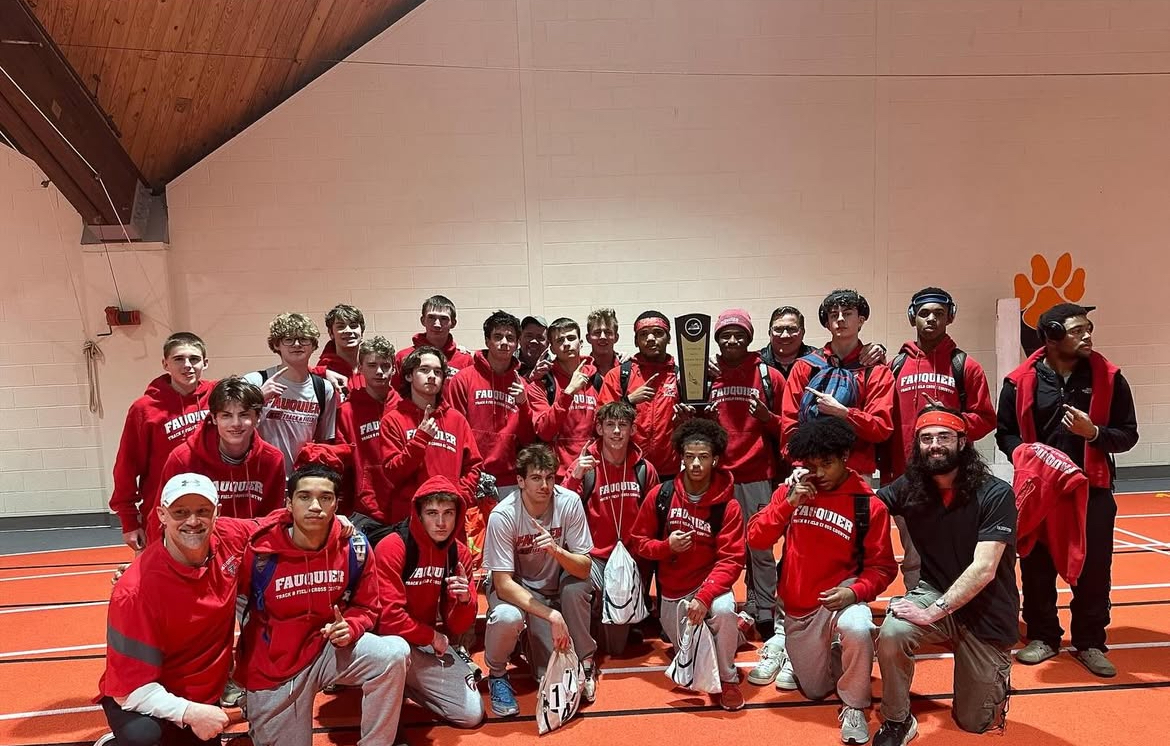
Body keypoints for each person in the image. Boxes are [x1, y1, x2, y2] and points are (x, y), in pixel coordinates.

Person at [997, 303, 1139, 677]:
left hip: (1092, 490)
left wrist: (1093, 434)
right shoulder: (1019, 382)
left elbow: (1128, 434)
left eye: (1089, 328)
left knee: (1094, 570)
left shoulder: (1110, 378)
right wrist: (1025, 456)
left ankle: (1090, 642)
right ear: (1052, 335)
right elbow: (1005, 432)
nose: (1088, 335)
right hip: (1039, 491)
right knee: (1037, 567)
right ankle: (1043, 636)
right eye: (1078, 330)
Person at [873, 407, 1019, 744]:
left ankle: (991, 676)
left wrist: (930, 613)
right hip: (934, 589)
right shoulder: (911, 487)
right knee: (894, 631)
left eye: (943, 437)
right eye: (926, 438)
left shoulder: (995, 493)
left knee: (975, 722)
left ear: (963, 442)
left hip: (988, 607)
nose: (934, 445)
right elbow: (866, 506)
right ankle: (897, 720)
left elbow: (983, 569)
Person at [236, 464, 409, 746]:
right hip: (276, 665)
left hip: (328, 647)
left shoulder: (355, 546)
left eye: (325, 498)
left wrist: (351, 627)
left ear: (336, 504)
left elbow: (368, 606)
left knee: (393, 653)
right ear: (288, 504)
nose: (315, 506)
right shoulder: (258, 551)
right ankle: (256, 706)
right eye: (304, 497)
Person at [747, 418, 896, 745]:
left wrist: (855, 591)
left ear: (845, 456)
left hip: (840, 602)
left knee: (858, 627)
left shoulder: (867, 504)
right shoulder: (792, 491)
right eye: (811, 466)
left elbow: (884, 568)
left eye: (827, 464)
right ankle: (795, 651)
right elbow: (756, 538)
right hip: (799, 607)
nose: (819, 473)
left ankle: (855, 705)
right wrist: (787, 505)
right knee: (814, 690)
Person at [97, 473, 254, 746]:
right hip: (146, 694)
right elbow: (128, 689)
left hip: (203, 692)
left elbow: (277, 523)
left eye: (203, 511)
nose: (193, 521)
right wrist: (190, 713)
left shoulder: (230, 536)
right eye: (180, 512)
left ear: (218, 513)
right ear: (162, 515)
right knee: (142, 738)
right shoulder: (134, 592)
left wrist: (337, 523)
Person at [629, 419, 746, 711]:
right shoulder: (662, 495)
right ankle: (738, 631)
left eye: (703, 457)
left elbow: (731, 560)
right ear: (681, 457)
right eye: (690, 457)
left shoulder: (727, 506)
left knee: (723, 612)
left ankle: (729, 678)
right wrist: (666, 547)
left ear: (715, 459)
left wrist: (704, 597)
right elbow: (638, 541)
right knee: (689, 663)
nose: (695, 464)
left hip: (710, 587)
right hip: (674, 590)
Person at [886, 288, 997, 591]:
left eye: (938, 313)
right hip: (907, 476)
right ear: (912, 317)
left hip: (953, 478)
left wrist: (952, 420)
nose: (931, 319)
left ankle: (961, 612)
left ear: (950, 316)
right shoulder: (895, 366)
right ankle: (916, 609)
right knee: (914, 554)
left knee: (960, 549)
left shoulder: (966, 366)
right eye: (924, 313)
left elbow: (987, 418)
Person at [481, 444, 595, 718]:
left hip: (554, 585)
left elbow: (584, 567)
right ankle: (497, 673)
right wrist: (551, 615)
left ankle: (585, 661)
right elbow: (503, 584)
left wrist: (557, 550)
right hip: (517, 587)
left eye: (549, 477)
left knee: (578, 587)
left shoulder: (569, 502)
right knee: (508, 617)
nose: (544, 485)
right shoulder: (503, 515)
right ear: (520, 481)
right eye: (535, 478)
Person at [374, 475, 484, 728]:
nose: (441, 522)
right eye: (432, 513)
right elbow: (388, 617)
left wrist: (465, 601)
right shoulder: (393, 547)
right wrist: (432, 637)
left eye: (448, 513)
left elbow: (457, 626)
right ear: (419, 514)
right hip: (385, 641)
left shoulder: (458, 553)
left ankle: (407, 683)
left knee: (471, 714)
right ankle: (388, 685)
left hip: (422, 644)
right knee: (396, 651)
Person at [706, 309, 784, 643]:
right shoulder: (707, 375)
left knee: (760, 547)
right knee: (719, 548)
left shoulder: (768, 375)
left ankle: (764, 608)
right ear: (718, 339)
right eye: (726, 335)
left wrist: (768, 418)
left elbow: (787, 425)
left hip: (756, 473)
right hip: (719, 476)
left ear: (750, 338)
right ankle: (719, 604)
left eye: (739, 334)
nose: (733, 340)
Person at [563, 401, 658, 656]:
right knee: (572, 588)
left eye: (623, 426)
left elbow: (655, 517)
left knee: (616, 649)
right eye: (610, 425)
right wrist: (575, 478)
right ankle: (583, 653)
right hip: (594, 558)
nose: (617, 432)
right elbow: (561, 509)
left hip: (631, 560)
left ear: (631, 430)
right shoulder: (584, 467)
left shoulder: (644, 469)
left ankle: (622, 617)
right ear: (600, 429)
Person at [110, 333, 214, 552]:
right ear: (165, 363)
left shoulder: (217, 398)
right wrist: (129, 522)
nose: (187, 365)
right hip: (163, 512)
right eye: (178, 359)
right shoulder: (144, 409)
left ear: (205, 362)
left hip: (209, 509)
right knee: (162, 581)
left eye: (194, 359)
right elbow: (126, 467)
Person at [781, 289, 895, 479]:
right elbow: (789, 424)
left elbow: (881, 428)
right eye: (834, 314)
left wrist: (845, 413)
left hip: (855, 473)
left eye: (848, 313)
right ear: (827, 324)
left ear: (861, 320)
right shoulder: (805, 367)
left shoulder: (876, 371)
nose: (840, 319)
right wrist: (798, 462)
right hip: (809, 469)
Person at [365, 346, 481, 532]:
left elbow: (474, 466)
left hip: (450, 520)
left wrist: (460, 497)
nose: (432, 376)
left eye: (437, 371)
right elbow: (393, 472)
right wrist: (420, 440)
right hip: (409, 520)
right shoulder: (393, 419)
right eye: (424, 370)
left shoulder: (456, 419)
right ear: (409, 375)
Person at [158, 377, 285, 535]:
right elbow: (163, 516)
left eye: (244, 415)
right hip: (198, 547)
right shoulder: (183, 458)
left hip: (252, 549)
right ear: (214, 418)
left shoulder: (272, 459)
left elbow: (273, 519)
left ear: (257, 417)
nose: (235, 423)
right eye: (226, 415)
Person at [446, 310, 535, 503]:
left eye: (510, 338)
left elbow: (528, 437)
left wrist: (523, 403)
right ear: (487, 341)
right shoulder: (463, 379)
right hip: (472, 476)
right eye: (497, 337)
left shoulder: (522, 385)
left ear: (517, 343)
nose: (504, 342)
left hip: (509, 479)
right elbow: (454, 431)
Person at [243, 313, 339, 477]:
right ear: (277, 344)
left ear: (313, 345)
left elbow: (324, 442)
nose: (296, 344)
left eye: (303, 339)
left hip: (302, 480)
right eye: (288, 339)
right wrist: (258, 398)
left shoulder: (324, 389)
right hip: (260, 476)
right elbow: (233, 429)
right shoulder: (254, 381)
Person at [598, 311, 681, 480]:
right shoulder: (619, 375)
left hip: (669, 470)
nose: (651, 338)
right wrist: (628, 401)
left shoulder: (681, 377)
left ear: (669, 338)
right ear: (636, 341)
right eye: (644, 334)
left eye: (658, 333)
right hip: (627, 466)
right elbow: (599, 421)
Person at [527, 317, 602, 481]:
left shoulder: (597, 380)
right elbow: (545, 432)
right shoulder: (542, 384)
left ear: (581, 343)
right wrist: (568, 393)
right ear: (552, 348)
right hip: (558, 475)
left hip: (594, 471)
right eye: (560, 340)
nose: (567, 344)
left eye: (571, 338)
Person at [337, 336, 400, 516]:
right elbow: (343, 464)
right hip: (363, 508)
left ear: (394, 369)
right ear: (360, 369)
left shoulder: (405, 408)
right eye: (372, 365)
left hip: (401, 505)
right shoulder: (347, 412)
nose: (379, 371)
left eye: (385, 365)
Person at [393, 294, 474, 386]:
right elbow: (395, 395)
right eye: (431, 317)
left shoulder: (465, 359)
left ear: (453, 323)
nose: (437, 324)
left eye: (443, 318)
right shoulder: (403, 357)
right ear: (423, 320)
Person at [313, 303, 367, 394]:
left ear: (362, 333)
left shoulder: (373, 366)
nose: (348, 331)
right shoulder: (324, 370)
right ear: (331, 333)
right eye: (341, 327)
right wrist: (321, 373)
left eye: (353, 326)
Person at [758, 306, 817, 378]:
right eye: (778, 329)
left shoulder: (818, 361)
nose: (785, 336)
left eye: (792, 329)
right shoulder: (756, 362)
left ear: (803, 333)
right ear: (769, 333)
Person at [586, 307, 622, 378]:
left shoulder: (628, 368)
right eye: (597, 332)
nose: (603, 337)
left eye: (608, 332)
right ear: (588, 338)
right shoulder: (581, 371)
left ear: (616, 337)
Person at [517, 314, 550, 379]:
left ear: (548, 343)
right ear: (519, 339)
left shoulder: (554, 371)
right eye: (529, 336)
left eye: (540, 337)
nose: (534, 341)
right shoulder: (507, 367)